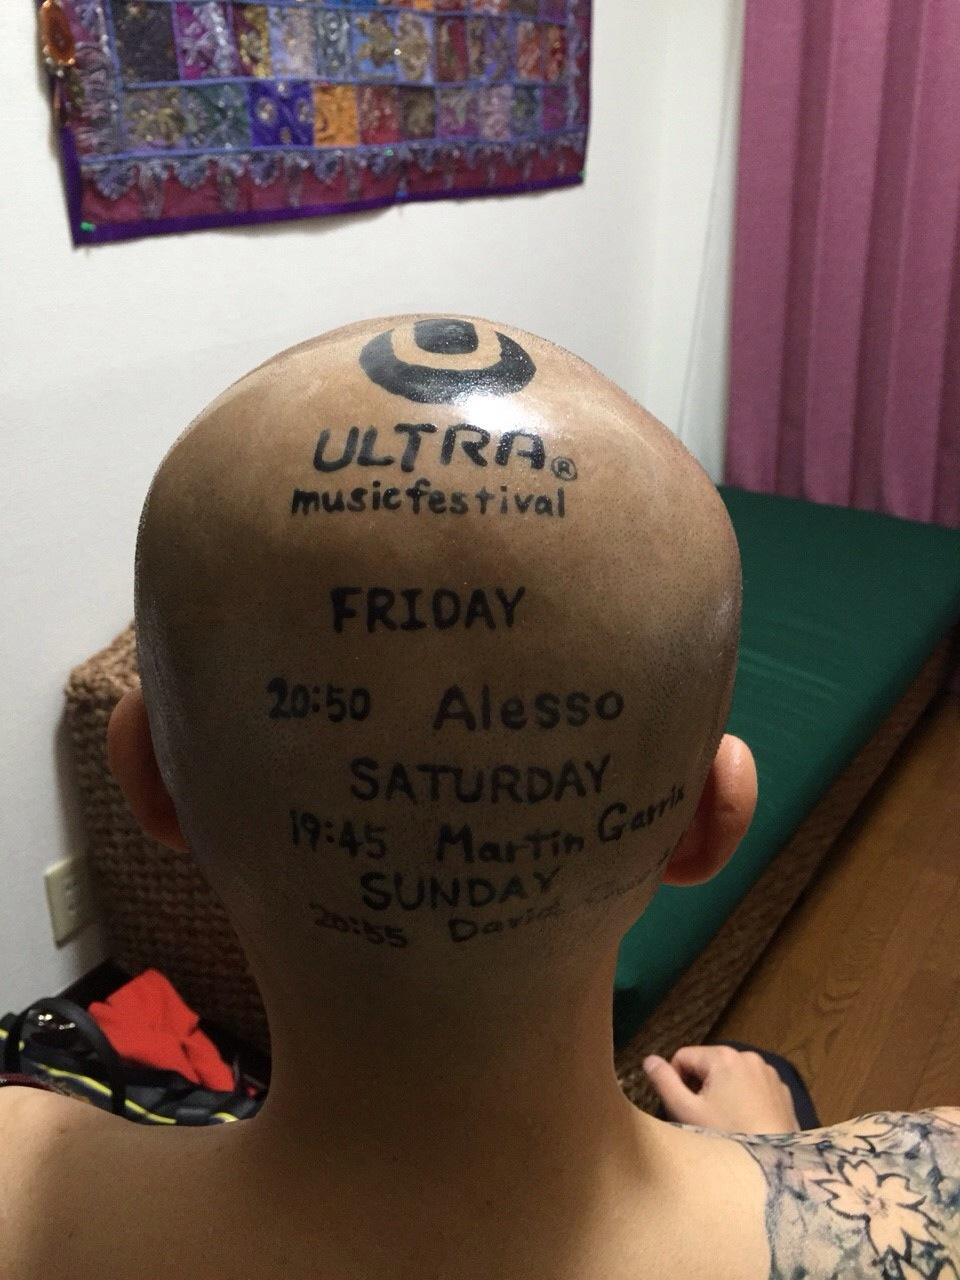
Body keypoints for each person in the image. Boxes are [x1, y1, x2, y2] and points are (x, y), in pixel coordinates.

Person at [1, 316, 956, 1280]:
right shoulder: (928, 1197)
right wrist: (779, 1154)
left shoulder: (19, 1167)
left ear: (148, 778)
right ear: (712, 821)